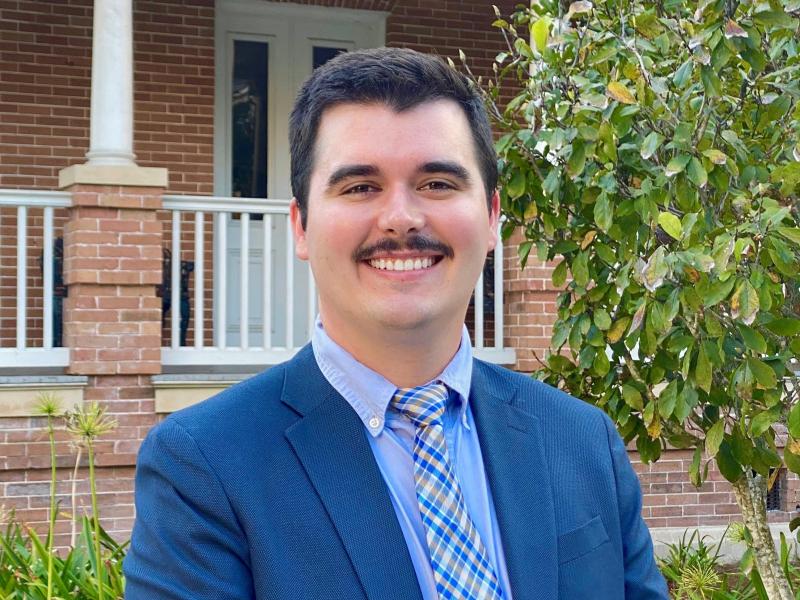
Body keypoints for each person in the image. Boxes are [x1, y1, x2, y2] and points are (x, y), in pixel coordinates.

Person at [123, 47, 668, 599]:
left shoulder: (581, 439)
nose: (402, 218)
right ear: (302, 227)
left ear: (492, 217)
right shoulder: (204, 467)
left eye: (437, 183)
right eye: (360, 187)